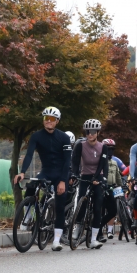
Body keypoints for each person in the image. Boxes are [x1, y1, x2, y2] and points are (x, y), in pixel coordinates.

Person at [13, 107, 72, 251]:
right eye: (46, 118)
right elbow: (29, 155)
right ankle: (28, 217)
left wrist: (63, 181)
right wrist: (22, 172)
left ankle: (56, 240)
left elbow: (67, 161)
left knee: (60, 203)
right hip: (46, 171)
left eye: (52, 119)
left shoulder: (64, 137)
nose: (48, 121)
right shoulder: (36, 136)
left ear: (57, 121)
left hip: (61, 173)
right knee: (31, 186)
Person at [69, 118, 106, 249]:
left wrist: (101, 179)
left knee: (97, 207)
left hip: (98, 177)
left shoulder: (103, 147)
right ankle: (78, 226)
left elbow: (103, 164)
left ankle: (95, 238)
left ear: (98, 132)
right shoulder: (80, 145)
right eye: (88, 132)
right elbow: (74, 161)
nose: (90, 134)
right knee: (81, 200)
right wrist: (74, 174)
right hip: (85, 175)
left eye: (93, 131)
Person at [100, 139, 121, 239]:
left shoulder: (114, 162)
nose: (110, 151)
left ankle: (101, 226)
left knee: (113, 211)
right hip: (100, 187)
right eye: (108, 149)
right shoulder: (99, 160)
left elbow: (117, 175)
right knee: (99, 210)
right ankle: (98, 232)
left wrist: (121, 186)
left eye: (112, 149)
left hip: (111, 189)